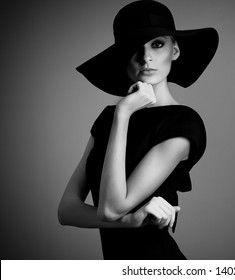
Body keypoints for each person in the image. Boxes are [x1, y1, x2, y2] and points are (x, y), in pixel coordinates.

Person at [57, 0, 218, 260]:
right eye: (134, 48)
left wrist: (122, 113)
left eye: (157, 44)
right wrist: (131, 221)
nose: (146, 58)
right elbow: (66, 210)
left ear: (174, 50)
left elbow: (109, 209)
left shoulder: (183, 123)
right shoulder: (109, 118)